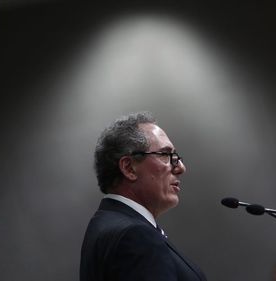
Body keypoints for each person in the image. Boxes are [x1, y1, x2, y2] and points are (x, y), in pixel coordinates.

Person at [80, 111, 207, 281]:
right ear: (129, 168)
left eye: (176, 156)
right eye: (165, 155)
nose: (180, 167)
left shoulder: (106, 223)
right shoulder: (135, 236)